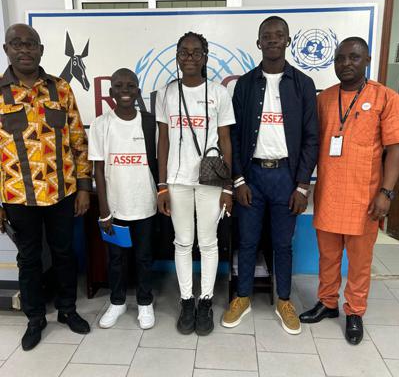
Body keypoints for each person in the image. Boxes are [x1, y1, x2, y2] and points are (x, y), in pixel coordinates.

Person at [299, 37, 399, 345]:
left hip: (365, 197)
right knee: (328, 256)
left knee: (359, 261)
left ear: (367, 60)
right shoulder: (325, 99)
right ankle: (327, 302)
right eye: (340, 58)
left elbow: (395, 150)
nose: (346, 63)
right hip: (329, 193)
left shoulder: (386, 97)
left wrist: (386, 192)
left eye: (354, 57)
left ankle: (354, 311)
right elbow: (312, 143)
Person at [222, 16, 319, 335]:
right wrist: (238, 179)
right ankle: (243, 297)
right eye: (267, 35)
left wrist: (302, 185)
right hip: (252, 176)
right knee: (247, 241)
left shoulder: (303, 84)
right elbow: (234, 136)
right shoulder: (245, 85)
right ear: (259, 42)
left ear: (288, 40)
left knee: (282, 244)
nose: (273, 39)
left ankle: (284, 301)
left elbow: (311, 137)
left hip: (287, 178)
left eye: (279, 35)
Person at [0, 23, 92, 351]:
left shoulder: (60, 89)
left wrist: (84, 187)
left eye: (31, 44)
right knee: (28, 259)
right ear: (6, 50)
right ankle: (35, 319)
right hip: (17, 195)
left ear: (41, 50)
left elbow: (78, 141)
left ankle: (67, 310)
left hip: (62, 192)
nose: (24, 49)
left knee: (64, 253)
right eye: (17, 44)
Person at [156, 31, 235, 336]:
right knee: (183, 242)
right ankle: (187, 300)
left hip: (210, 179)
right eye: (184, 52)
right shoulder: (166, 94)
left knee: (209, 242)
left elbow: (226, 140)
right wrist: (162, 185)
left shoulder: (218, 93)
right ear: (177, 57)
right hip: (177, 181)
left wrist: (228, 187)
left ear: (205, 57)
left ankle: (206, 301)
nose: (189, 57)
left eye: (196, 52)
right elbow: (163, 140)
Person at [89, 68, 157, 330]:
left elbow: (160, 160)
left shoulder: (149, 123)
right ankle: (117, 302)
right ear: (111, 92)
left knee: (144, 257)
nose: (125, 90)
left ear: (138, 91)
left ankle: (145, 302)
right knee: (116, 258)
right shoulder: (101, 124)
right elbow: (98, 168)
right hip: (115, 208)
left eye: (130, 86)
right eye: (119, 86)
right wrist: (104, 210)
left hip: (145, 204)